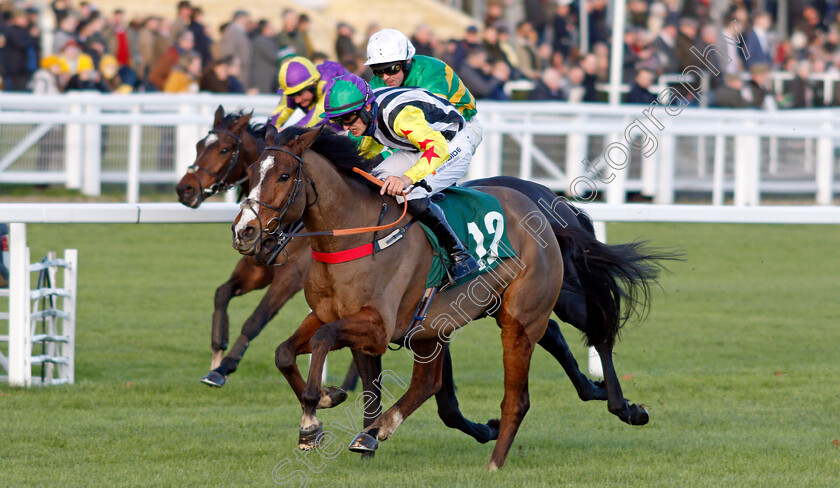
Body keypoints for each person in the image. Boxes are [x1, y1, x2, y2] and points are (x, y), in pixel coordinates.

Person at [322, 73, 480, 282]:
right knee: (373, 181)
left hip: (451, 144)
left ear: (367, 108)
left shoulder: (400, 117)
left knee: (410, 191)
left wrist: (406, 179)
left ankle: (460, 254)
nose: (344, 126)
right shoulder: (367, 116)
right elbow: (363, 156)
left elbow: (437, 148)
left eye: (348, 118)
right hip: (416, 147)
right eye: (338, 120)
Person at [365, 29, 481, 156]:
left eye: (392, 69)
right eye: (377, 70)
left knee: (426, 171)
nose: (385, 77)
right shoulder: (378, 80)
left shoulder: (431, 69)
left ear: (407, 60)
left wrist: (387, 153)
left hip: (459, 127)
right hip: (415, 133)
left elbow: (434, 119)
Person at [269, 56, 346, 129]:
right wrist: (267, 131)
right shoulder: (299, 88)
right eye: (292, 96)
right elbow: (279, 115)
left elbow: (319, 114)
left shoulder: (332, 81)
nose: (297, 100)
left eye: (299, 94)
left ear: (314, 84)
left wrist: (290, 131)